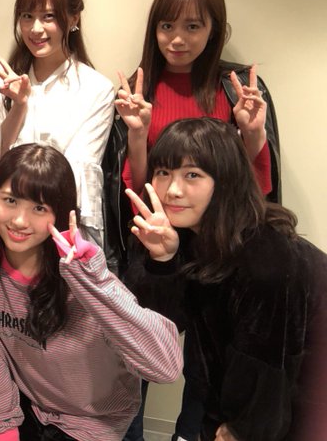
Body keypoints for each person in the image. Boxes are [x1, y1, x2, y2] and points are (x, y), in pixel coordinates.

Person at [0, 143, 182, 441]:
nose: (19, 220)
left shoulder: (83, 276)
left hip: (98, 424)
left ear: (62, 213)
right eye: (10, 200)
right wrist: (3, 428)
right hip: (32, 410)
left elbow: (165, 367)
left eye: (39, 208)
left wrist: (93, 282)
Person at [125, 117, 327, 441]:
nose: (173, 190)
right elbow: (154, 331)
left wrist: (242, 430)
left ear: (225, 180)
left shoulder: (265, 260)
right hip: (234, 392)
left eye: (192, 174)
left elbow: (268, 367)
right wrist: (162, 261)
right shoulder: (181, 234)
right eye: (163, 172)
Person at [103, 0, 281, 275]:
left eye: (192, 26)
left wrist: (252, 134)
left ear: (213, 30)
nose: (177, 39)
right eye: (167, 26)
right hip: (160, 242)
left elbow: (255, 186)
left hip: (225, 243)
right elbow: (137, 191)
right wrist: (137, 134)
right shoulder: (136, 94)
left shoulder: (237, 89)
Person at [0, 0, 114, 242]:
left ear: (74, 18)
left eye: (49, 16)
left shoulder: (97, 89)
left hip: (58, 231)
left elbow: (78, 175)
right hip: (0, 226)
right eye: (27, 16)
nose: (35, 29)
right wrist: (19, 107)